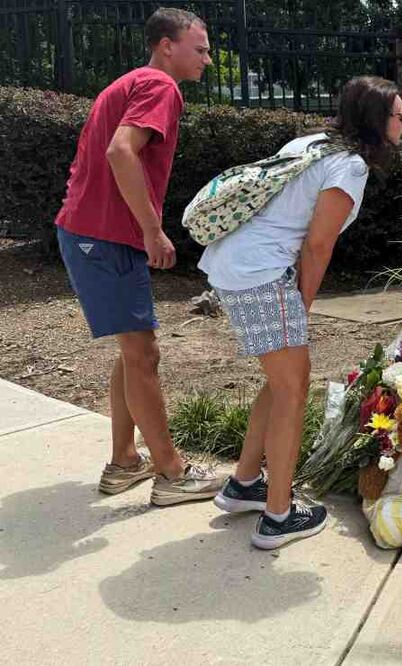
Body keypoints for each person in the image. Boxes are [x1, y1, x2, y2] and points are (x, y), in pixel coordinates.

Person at [198, 76, 402, 549]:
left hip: (238, 263)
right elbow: (318, 244)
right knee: (294, 387)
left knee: (281, 381)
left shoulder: (312, 142)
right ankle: (277, 516)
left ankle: (245, 484)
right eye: (400, 115)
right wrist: (302, 305)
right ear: (377, 120)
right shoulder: (350, 165)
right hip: (262, 272)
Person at [55, 8, 226, 505]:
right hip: (105, 236)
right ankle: (172, 475)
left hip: (94, 233)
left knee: (133, 352)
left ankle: (125, 462)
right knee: (144, 353)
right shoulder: (160, 86)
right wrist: (153, 230)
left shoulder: (133, 81)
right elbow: (120, 151)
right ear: (167, 45)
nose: (209, 60)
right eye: (201, 49)